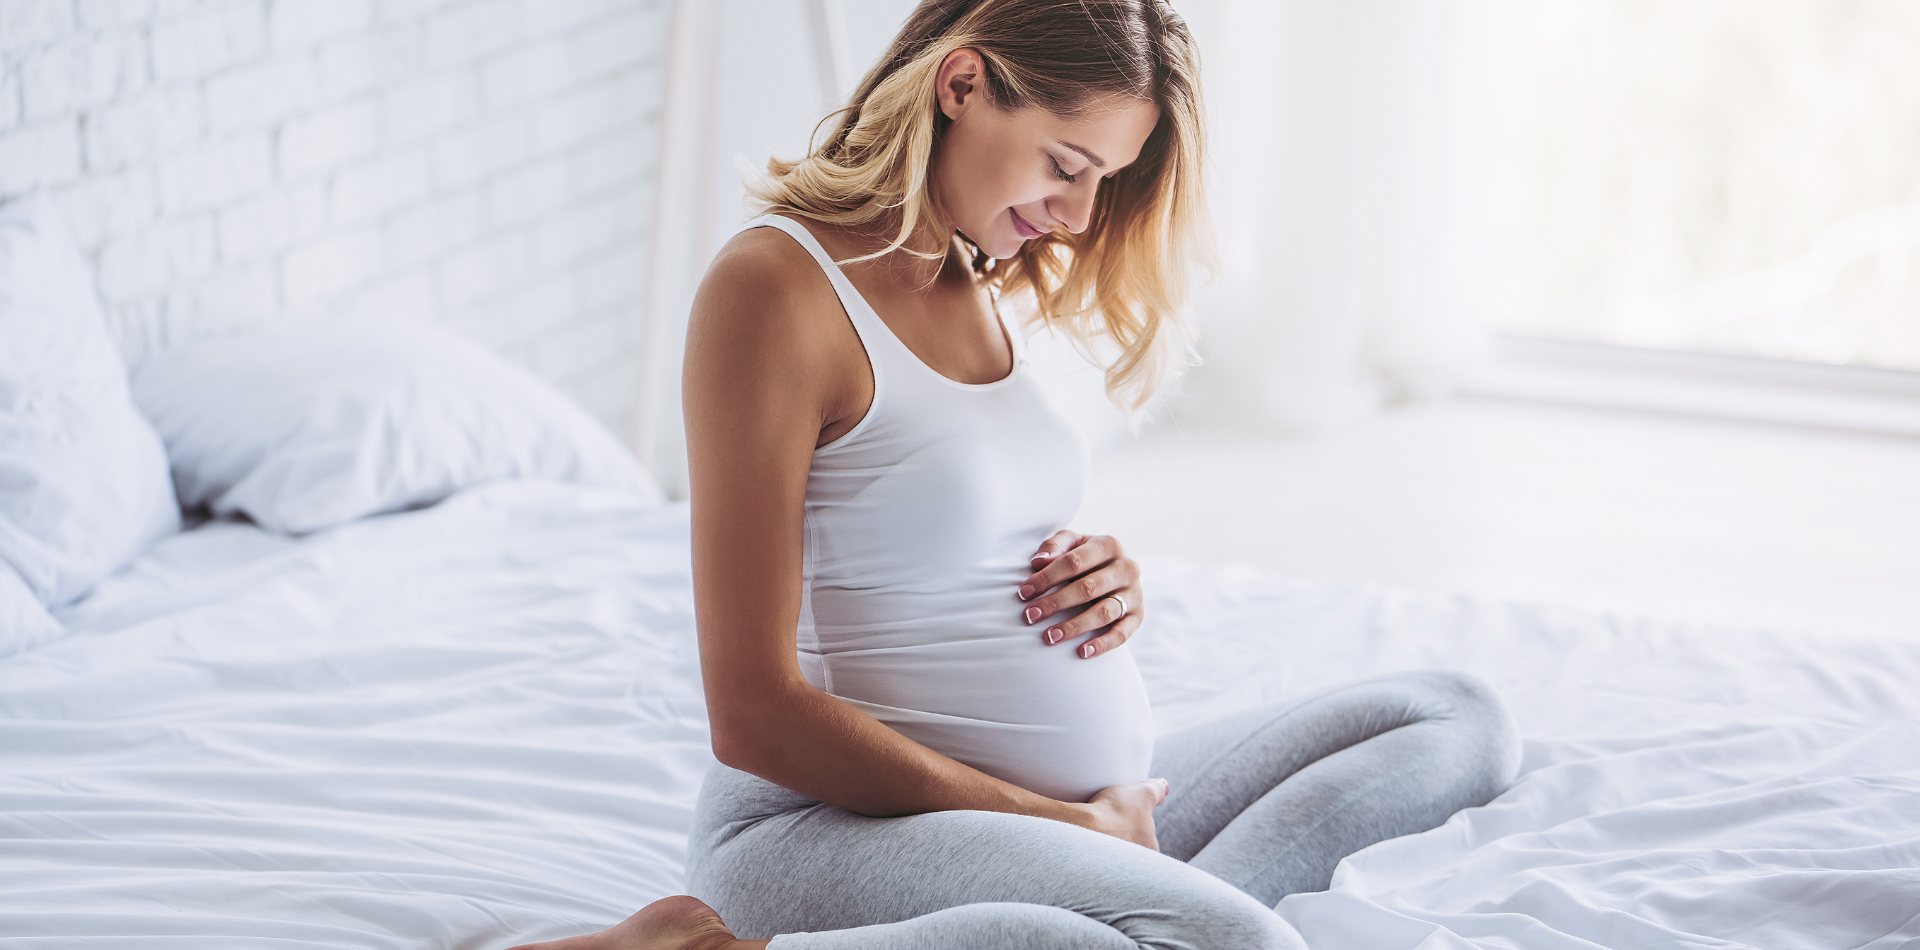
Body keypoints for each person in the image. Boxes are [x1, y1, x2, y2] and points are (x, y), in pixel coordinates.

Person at [510, 1, 1520, 947]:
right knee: (1232, 938)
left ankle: (1137, 912)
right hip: (823, 830)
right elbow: (753, 711)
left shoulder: (970, 270)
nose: (1079, 215)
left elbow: (948, 528)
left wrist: (1107, 574)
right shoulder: (773, 290)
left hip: (1070, 809)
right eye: (1065, 164)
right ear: (961, 87)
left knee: (1454, 713)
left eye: (1103, 180)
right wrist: (1066, 821)